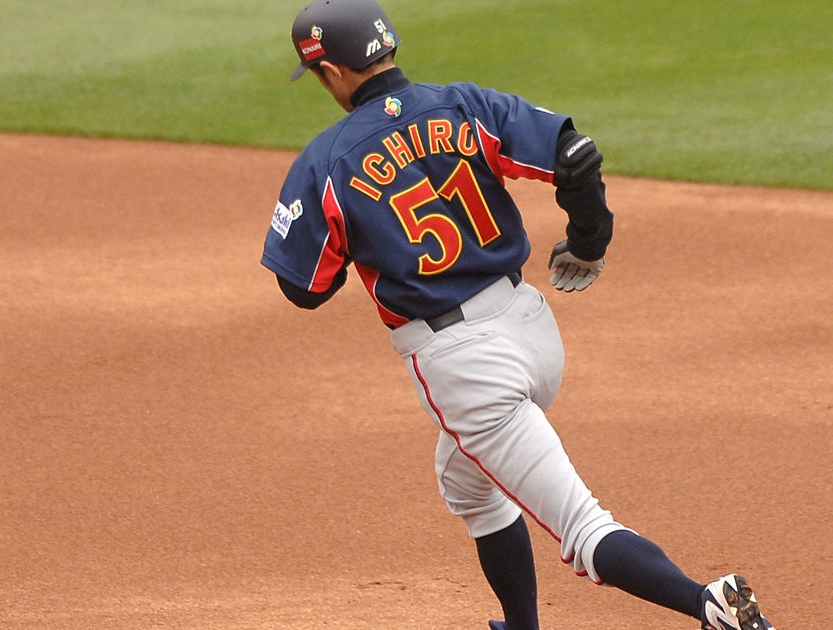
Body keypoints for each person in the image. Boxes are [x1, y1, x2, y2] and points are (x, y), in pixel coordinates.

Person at [259, 1, 776, 629]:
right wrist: (588, 242)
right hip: (531, 329)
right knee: (467, 484)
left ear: (333, 71)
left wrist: (364, 235)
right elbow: (574, 153)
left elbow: (304, 289)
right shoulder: (464, 104)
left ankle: (709, 604)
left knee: (582, 525)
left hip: (467, 368)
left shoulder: (327, 159)